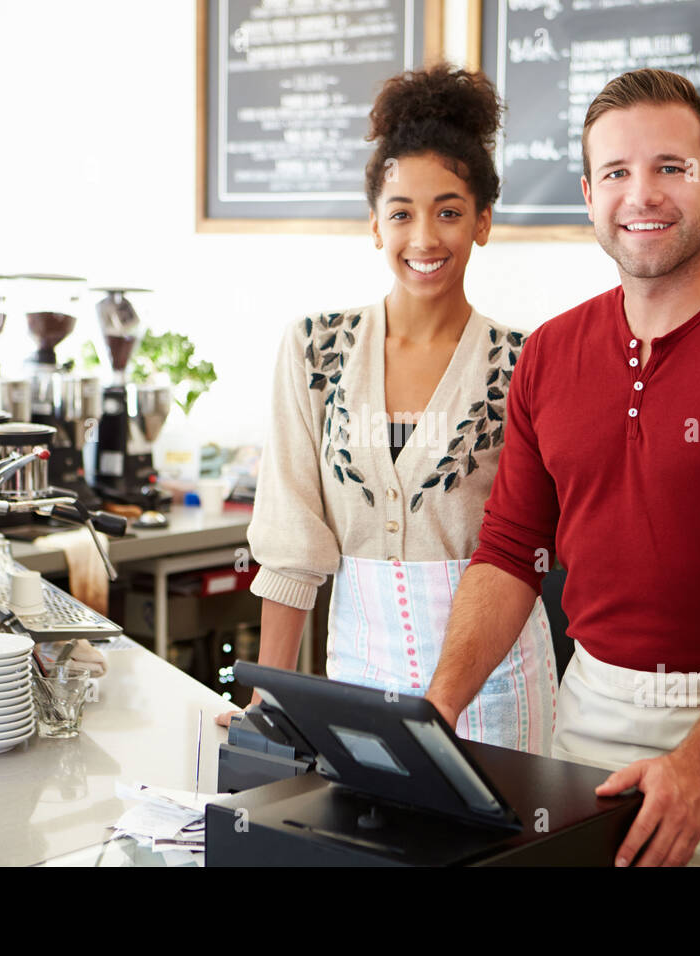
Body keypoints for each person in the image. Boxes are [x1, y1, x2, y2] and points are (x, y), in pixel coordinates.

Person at [426, 68, 700, 864]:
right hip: (590, 719)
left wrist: (699, 763)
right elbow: (510, 550)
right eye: (618, 173)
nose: (644, 195)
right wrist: (438, 708)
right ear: (590, 196)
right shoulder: (550, 354)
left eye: (672, 167)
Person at [227, 65, 558, 754]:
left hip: (496, 688)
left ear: (484, 222)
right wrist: (266, 701)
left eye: (449, 210)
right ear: (374, 224)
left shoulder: (526, 362)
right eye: (402, 212)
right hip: (359, 680)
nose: (424, 238)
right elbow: (292, 545)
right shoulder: (315, 350)